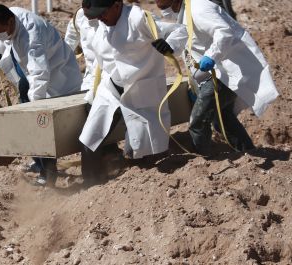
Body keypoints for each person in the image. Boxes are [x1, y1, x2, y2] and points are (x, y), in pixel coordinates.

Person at [79, 0, 188, 185]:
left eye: (102, 13)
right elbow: (97, 62)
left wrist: (169, 45)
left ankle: (141, 187)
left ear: (116, 5)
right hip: (111, 89)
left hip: (140, 91)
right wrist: (91, 92)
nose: (99, 18)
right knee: (89, 140)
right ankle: (90, 187)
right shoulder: (100, 24)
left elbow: (181, 30)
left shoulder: (138, 19)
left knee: (142, 152)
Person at [155, 0, 279, 154]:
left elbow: (225, 32)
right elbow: (187, 34)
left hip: (225, 73)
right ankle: (249, 152)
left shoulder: (199, 8)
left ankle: (201, 160)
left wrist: (211, 56)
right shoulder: (184, 11)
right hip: (216, 73)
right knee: (222, 119)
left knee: (198, 121)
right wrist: (170, 47)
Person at [0, 4, 82, 186]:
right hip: (31, 69)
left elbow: (40, 73)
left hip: (58, 74)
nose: (0, 36)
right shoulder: (10, 16)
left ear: (11, 22)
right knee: (24, 95)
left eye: (1, 33)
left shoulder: (32, 35)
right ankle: (39, 162)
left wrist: (35, 108)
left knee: (41, 123)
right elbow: (3, 37)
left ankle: (48, 170)